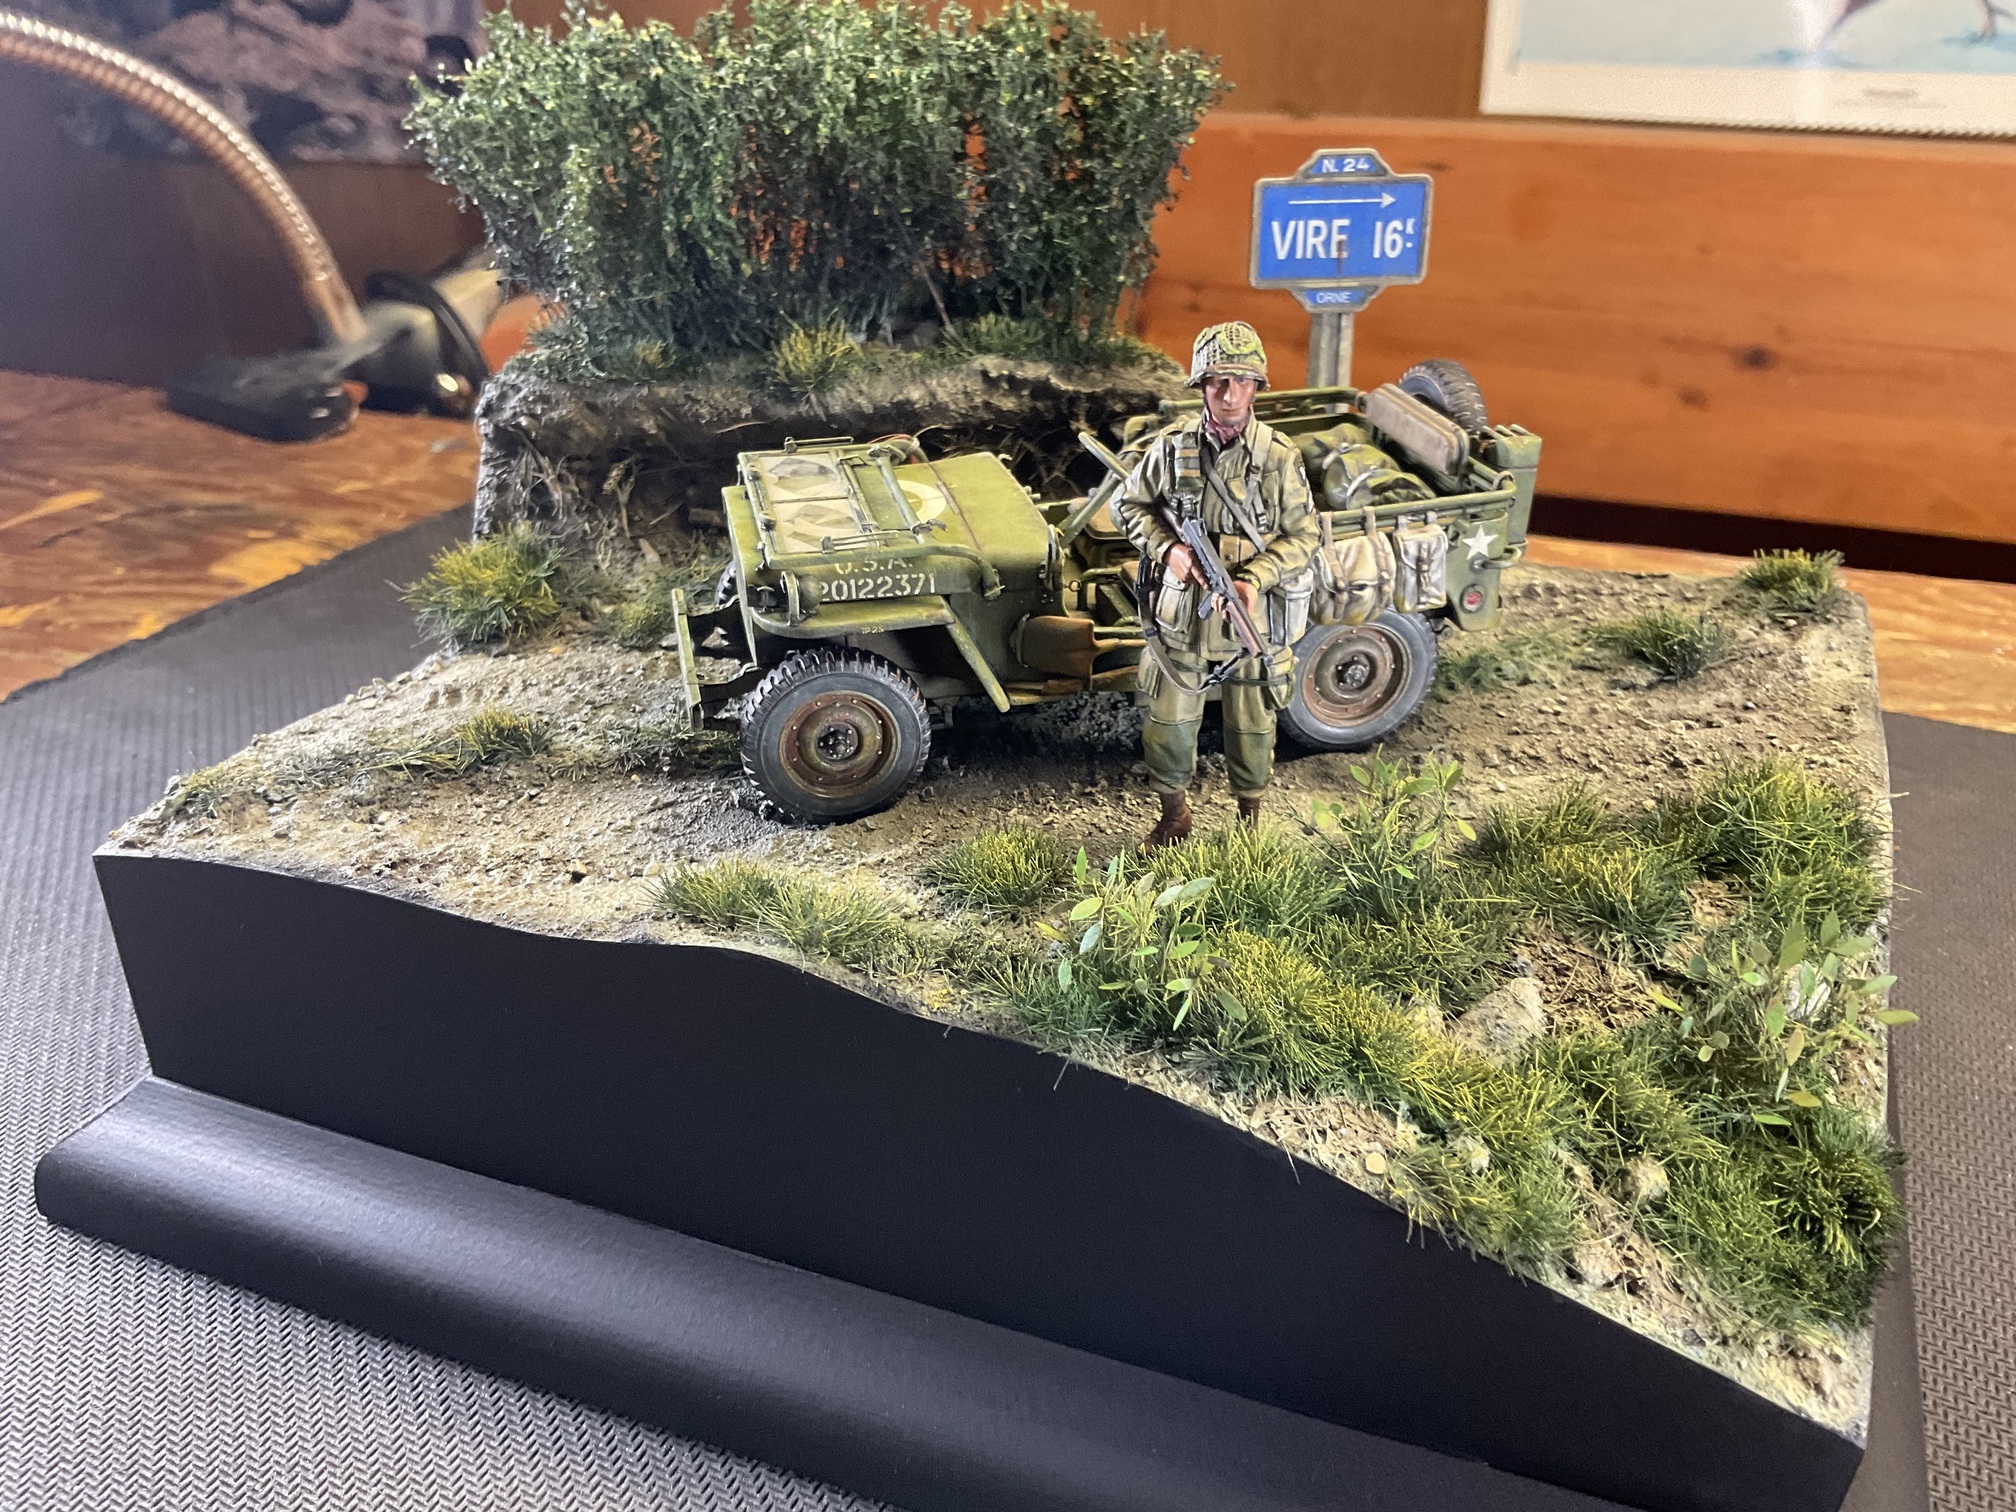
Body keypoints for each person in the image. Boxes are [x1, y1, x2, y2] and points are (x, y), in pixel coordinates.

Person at [1114, 321, 1318, 849]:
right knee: (1167, 722)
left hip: (1252, 615)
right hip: (1182, 614)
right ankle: (1174, 815)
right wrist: (1170, 550)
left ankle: (1249, 823)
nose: (1229, 395)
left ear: (1257, 388)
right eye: (1218, 381)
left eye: (1242, 381)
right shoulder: (1172, 448)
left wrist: (1254, 579)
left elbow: (1305, 535)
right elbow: (1129, 506)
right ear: (1202, 386)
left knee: (1253, 726)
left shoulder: (1278, 457)